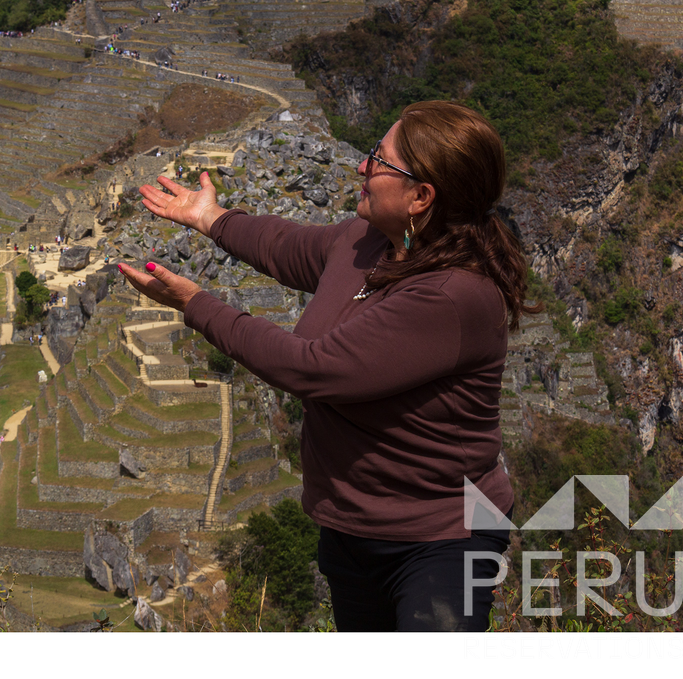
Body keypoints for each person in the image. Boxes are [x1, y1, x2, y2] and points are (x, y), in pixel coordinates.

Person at [118, 101, 538, 632]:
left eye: (378, 161)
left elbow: (311, 368)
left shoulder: (453, 296)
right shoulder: (370, 243)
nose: (361, 168)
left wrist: (196, 304)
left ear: (421, 196)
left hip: (443, 540)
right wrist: (210, 218)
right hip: (353, 526)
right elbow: (288, 248)